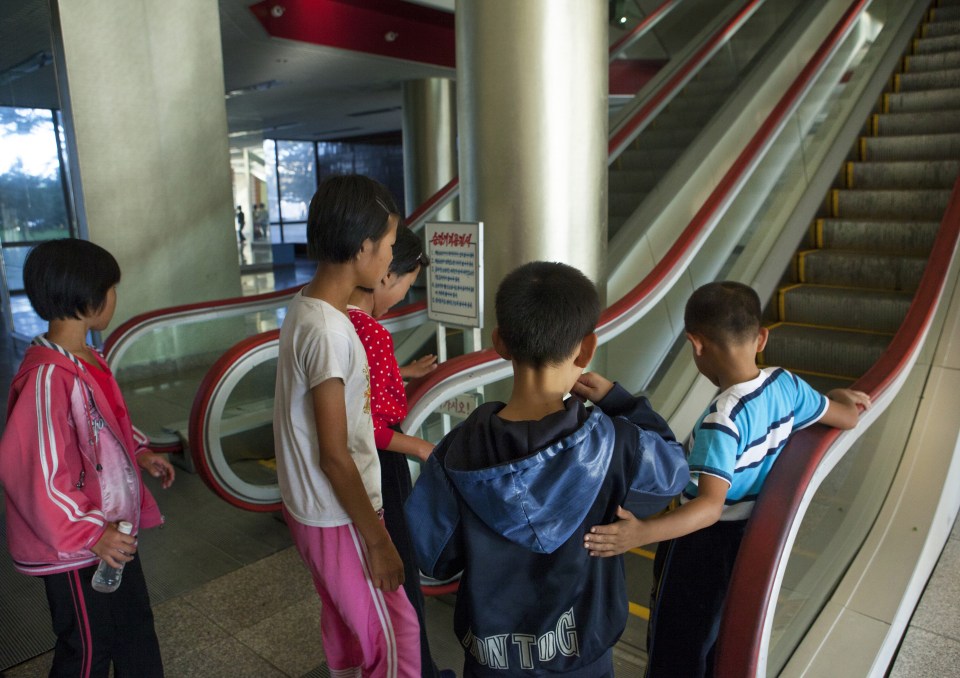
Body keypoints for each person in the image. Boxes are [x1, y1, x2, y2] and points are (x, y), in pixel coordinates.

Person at [406, 261, 689, 677]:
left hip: (492, 663)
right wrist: (620, 401)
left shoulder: (456, 451)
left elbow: (434, 558)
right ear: (587, 348)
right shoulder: (617, 446)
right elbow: (674, 472)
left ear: (499, 343)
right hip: (584, 661)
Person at [583, 281, 873, 677]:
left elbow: (708, 507)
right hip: (748, 539)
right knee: (712, 638)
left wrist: (641, 534)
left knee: (677, 646)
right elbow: (848, 417)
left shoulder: (724, 418)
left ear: (695, 344)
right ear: (761, 338)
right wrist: (839, 396)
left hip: (702, 548)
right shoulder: (785, 384)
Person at [0, 238, 176, 677]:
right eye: (111, 287)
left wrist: (140, 451)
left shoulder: (88, 360)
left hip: (111, 535)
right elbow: (35, 476)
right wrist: (89, 533)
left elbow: (108, 423)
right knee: (88, 647)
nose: (115, 297)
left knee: (135, 627)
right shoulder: (46, 378)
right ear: (88, 296)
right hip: (77, 548)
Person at [273, 174, 420, 677]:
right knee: (395, 637)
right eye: (390, 246)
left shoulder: (306, 309)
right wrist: (379, 542)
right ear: (363, 247)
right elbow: (335, 454)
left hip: (312, 511)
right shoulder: (331, 331)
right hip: (340, 516)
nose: (388, 261)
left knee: (348, 633)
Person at [347, 227, 444, 678]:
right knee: (400, 563)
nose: (404, 296)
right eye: (407, 284)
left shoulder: (340, 321)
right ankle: (416, 667)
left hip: (365, 462)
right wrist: (422, 448)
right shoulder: (370, 332)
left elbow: (356, 385)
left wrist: (399, 370)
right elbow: (365, 424)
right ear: (386, 275)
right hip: (382, 462)